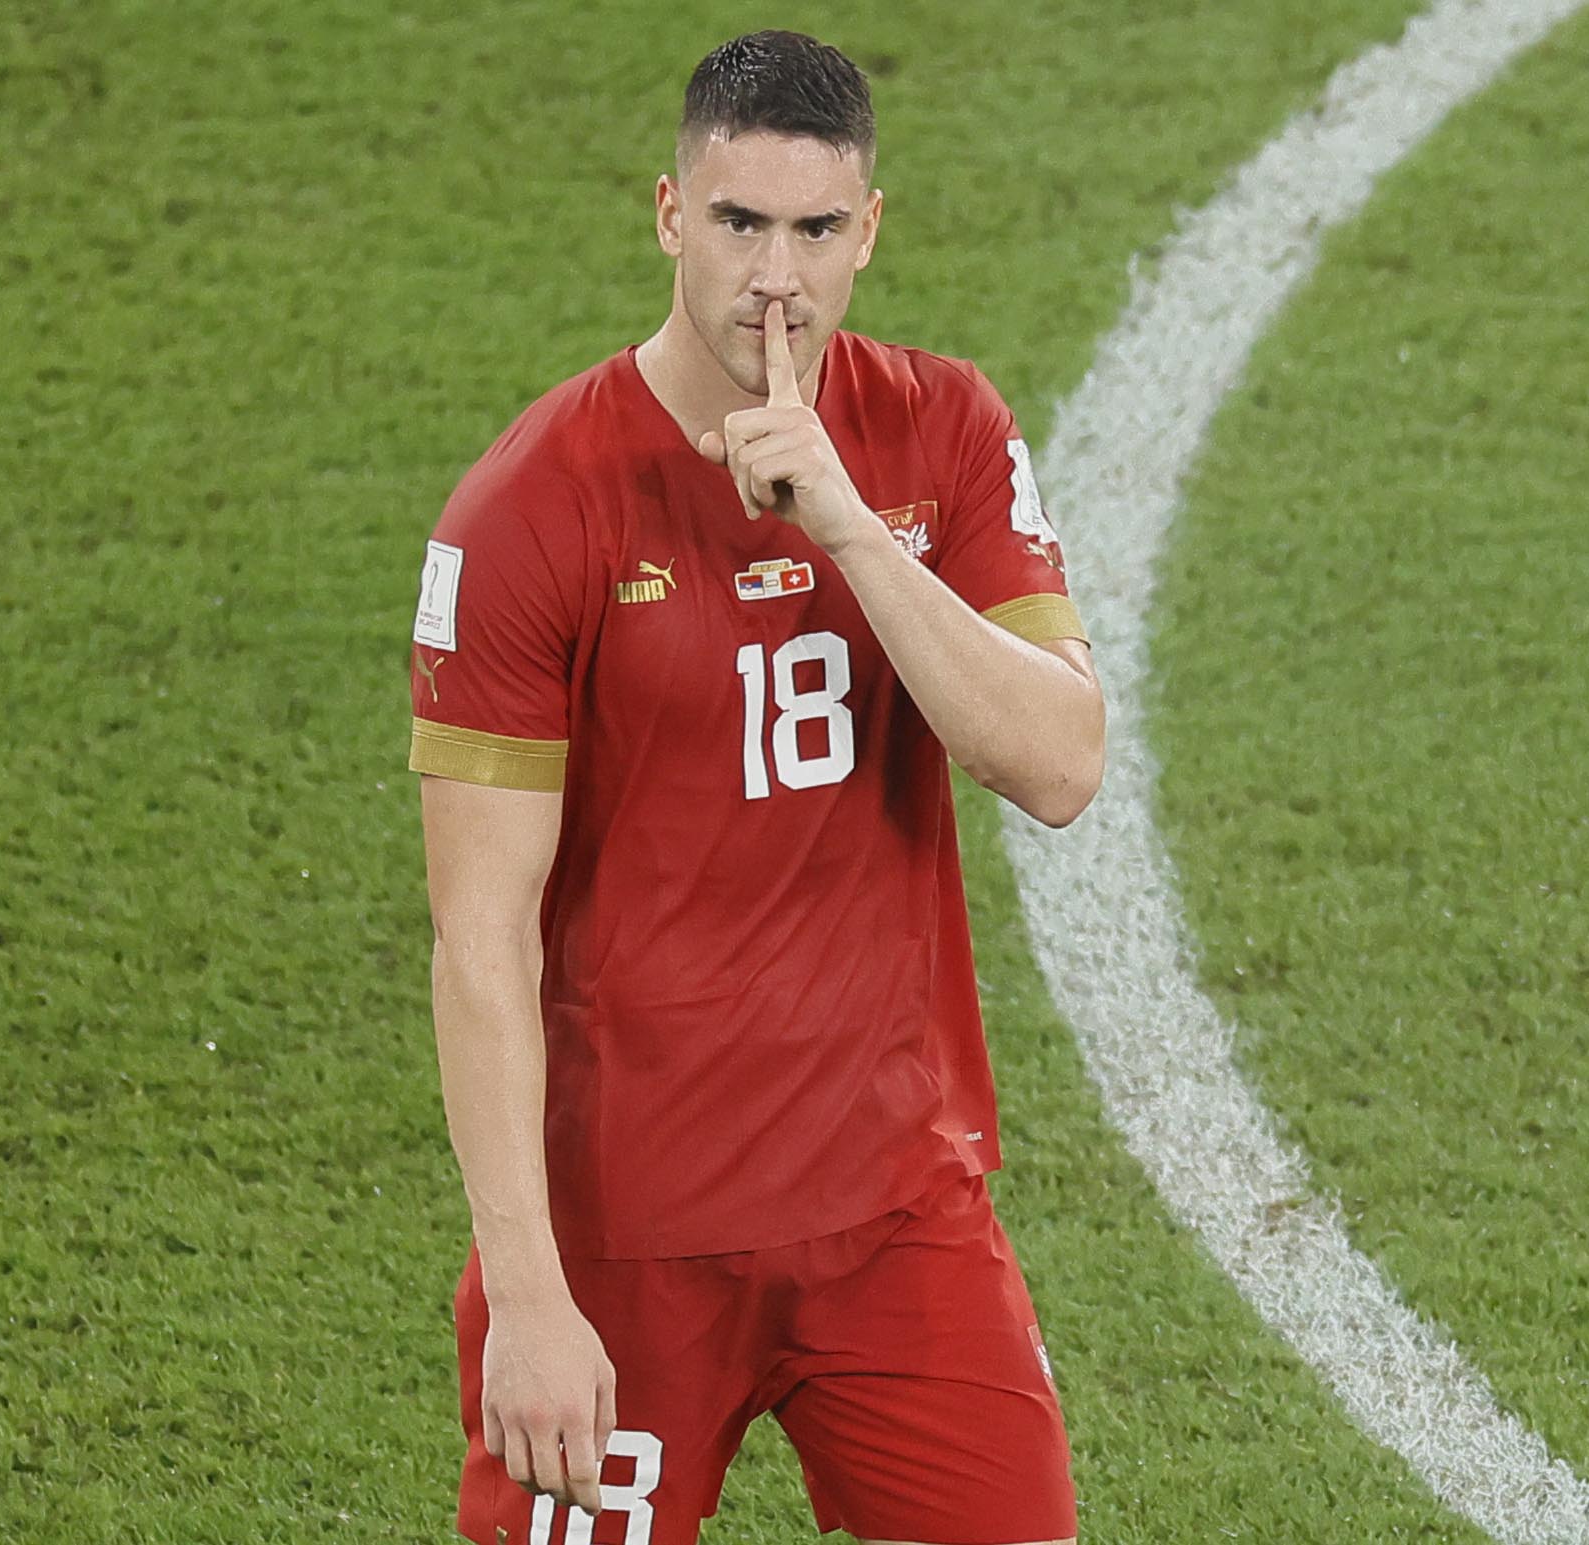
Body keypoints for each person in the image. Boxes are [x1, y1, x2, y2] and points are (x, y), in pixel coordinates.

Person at [410, 28, 1103, 1545]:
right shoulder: (528, 510)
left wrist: (852, 528)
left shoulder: (940, 433)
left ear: (868, 232)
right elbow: (479, 938)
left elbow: (1056, 761)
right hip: (626, 1243)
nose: (772, 277)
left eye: (811, 230)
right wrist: (525, 1291)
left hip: (895, 1213)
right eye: (736, 224)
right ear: (670, 216)